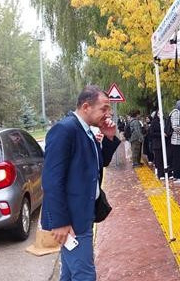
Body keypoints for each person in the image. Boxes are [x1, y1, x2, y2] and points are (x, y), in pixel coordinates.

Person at [41, 85, 121, 281]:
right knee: (85, 275)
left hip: (83, 214)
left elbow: (98, 164)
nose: (108, 113)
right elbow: (52, 181)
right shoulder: (65, 130)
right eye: (104, 108)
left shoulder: (86, 131)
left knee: (69, 274)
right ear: (86, 107)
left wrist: (110, 137)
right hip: (72, 220)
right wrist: (60, 222)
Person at [168, 100, 180, 181]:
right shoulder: (176, 113)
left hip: (177, 140)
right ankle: (177, 175)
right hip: (177, 140)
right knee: (178, 158)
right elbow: (175, 126)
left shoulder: (177, 113)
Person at [148, 111, 166, 178]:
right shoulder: (154, 122)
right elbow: (152, 133)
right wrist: (161, 134)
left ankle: (165, 173)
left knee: (163, 158)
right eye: (159, 114)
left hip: (164, 143)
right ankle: (160, 174)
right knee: (158, 159)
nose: (160, 115)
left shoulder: (164, 121)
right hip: (157, 143)